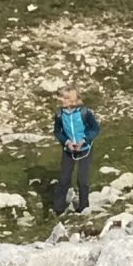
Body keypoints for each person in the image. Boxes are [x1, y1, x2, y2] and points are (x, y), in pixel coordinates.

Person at [52, 86, 100, 214]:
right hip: (69, 149)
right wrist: (67, 142)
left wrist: (84, 140)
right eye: (62, 97)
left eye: (65, 98)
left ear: (72, 99)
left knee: (82, 179)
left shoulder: (84, 112)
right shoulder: (59, 114)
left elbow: (95, 128)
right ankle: (58, 211)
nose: (62, 100)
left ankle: (84, 208)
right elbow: (57, 131)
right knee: (64, 179)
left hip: (85, 148)